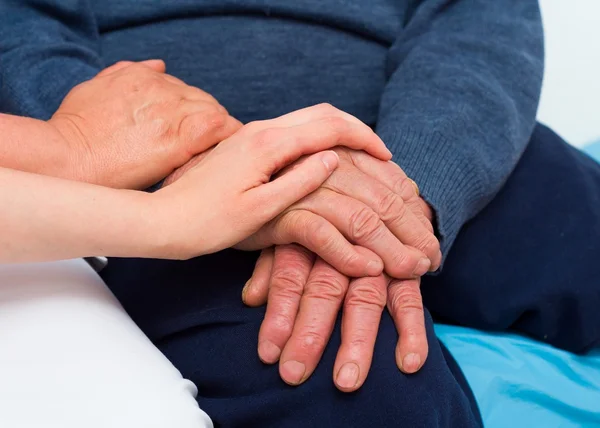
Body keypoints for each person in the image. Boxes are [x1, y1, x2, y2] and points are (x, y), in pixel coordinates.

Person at [1, 0, 599, 427]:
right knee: (364, 399)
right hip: (153, 158)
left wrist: (403, 189)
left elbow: (479, 18)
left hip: (416, 127)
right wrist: (213, 171)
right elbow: (23, 39)